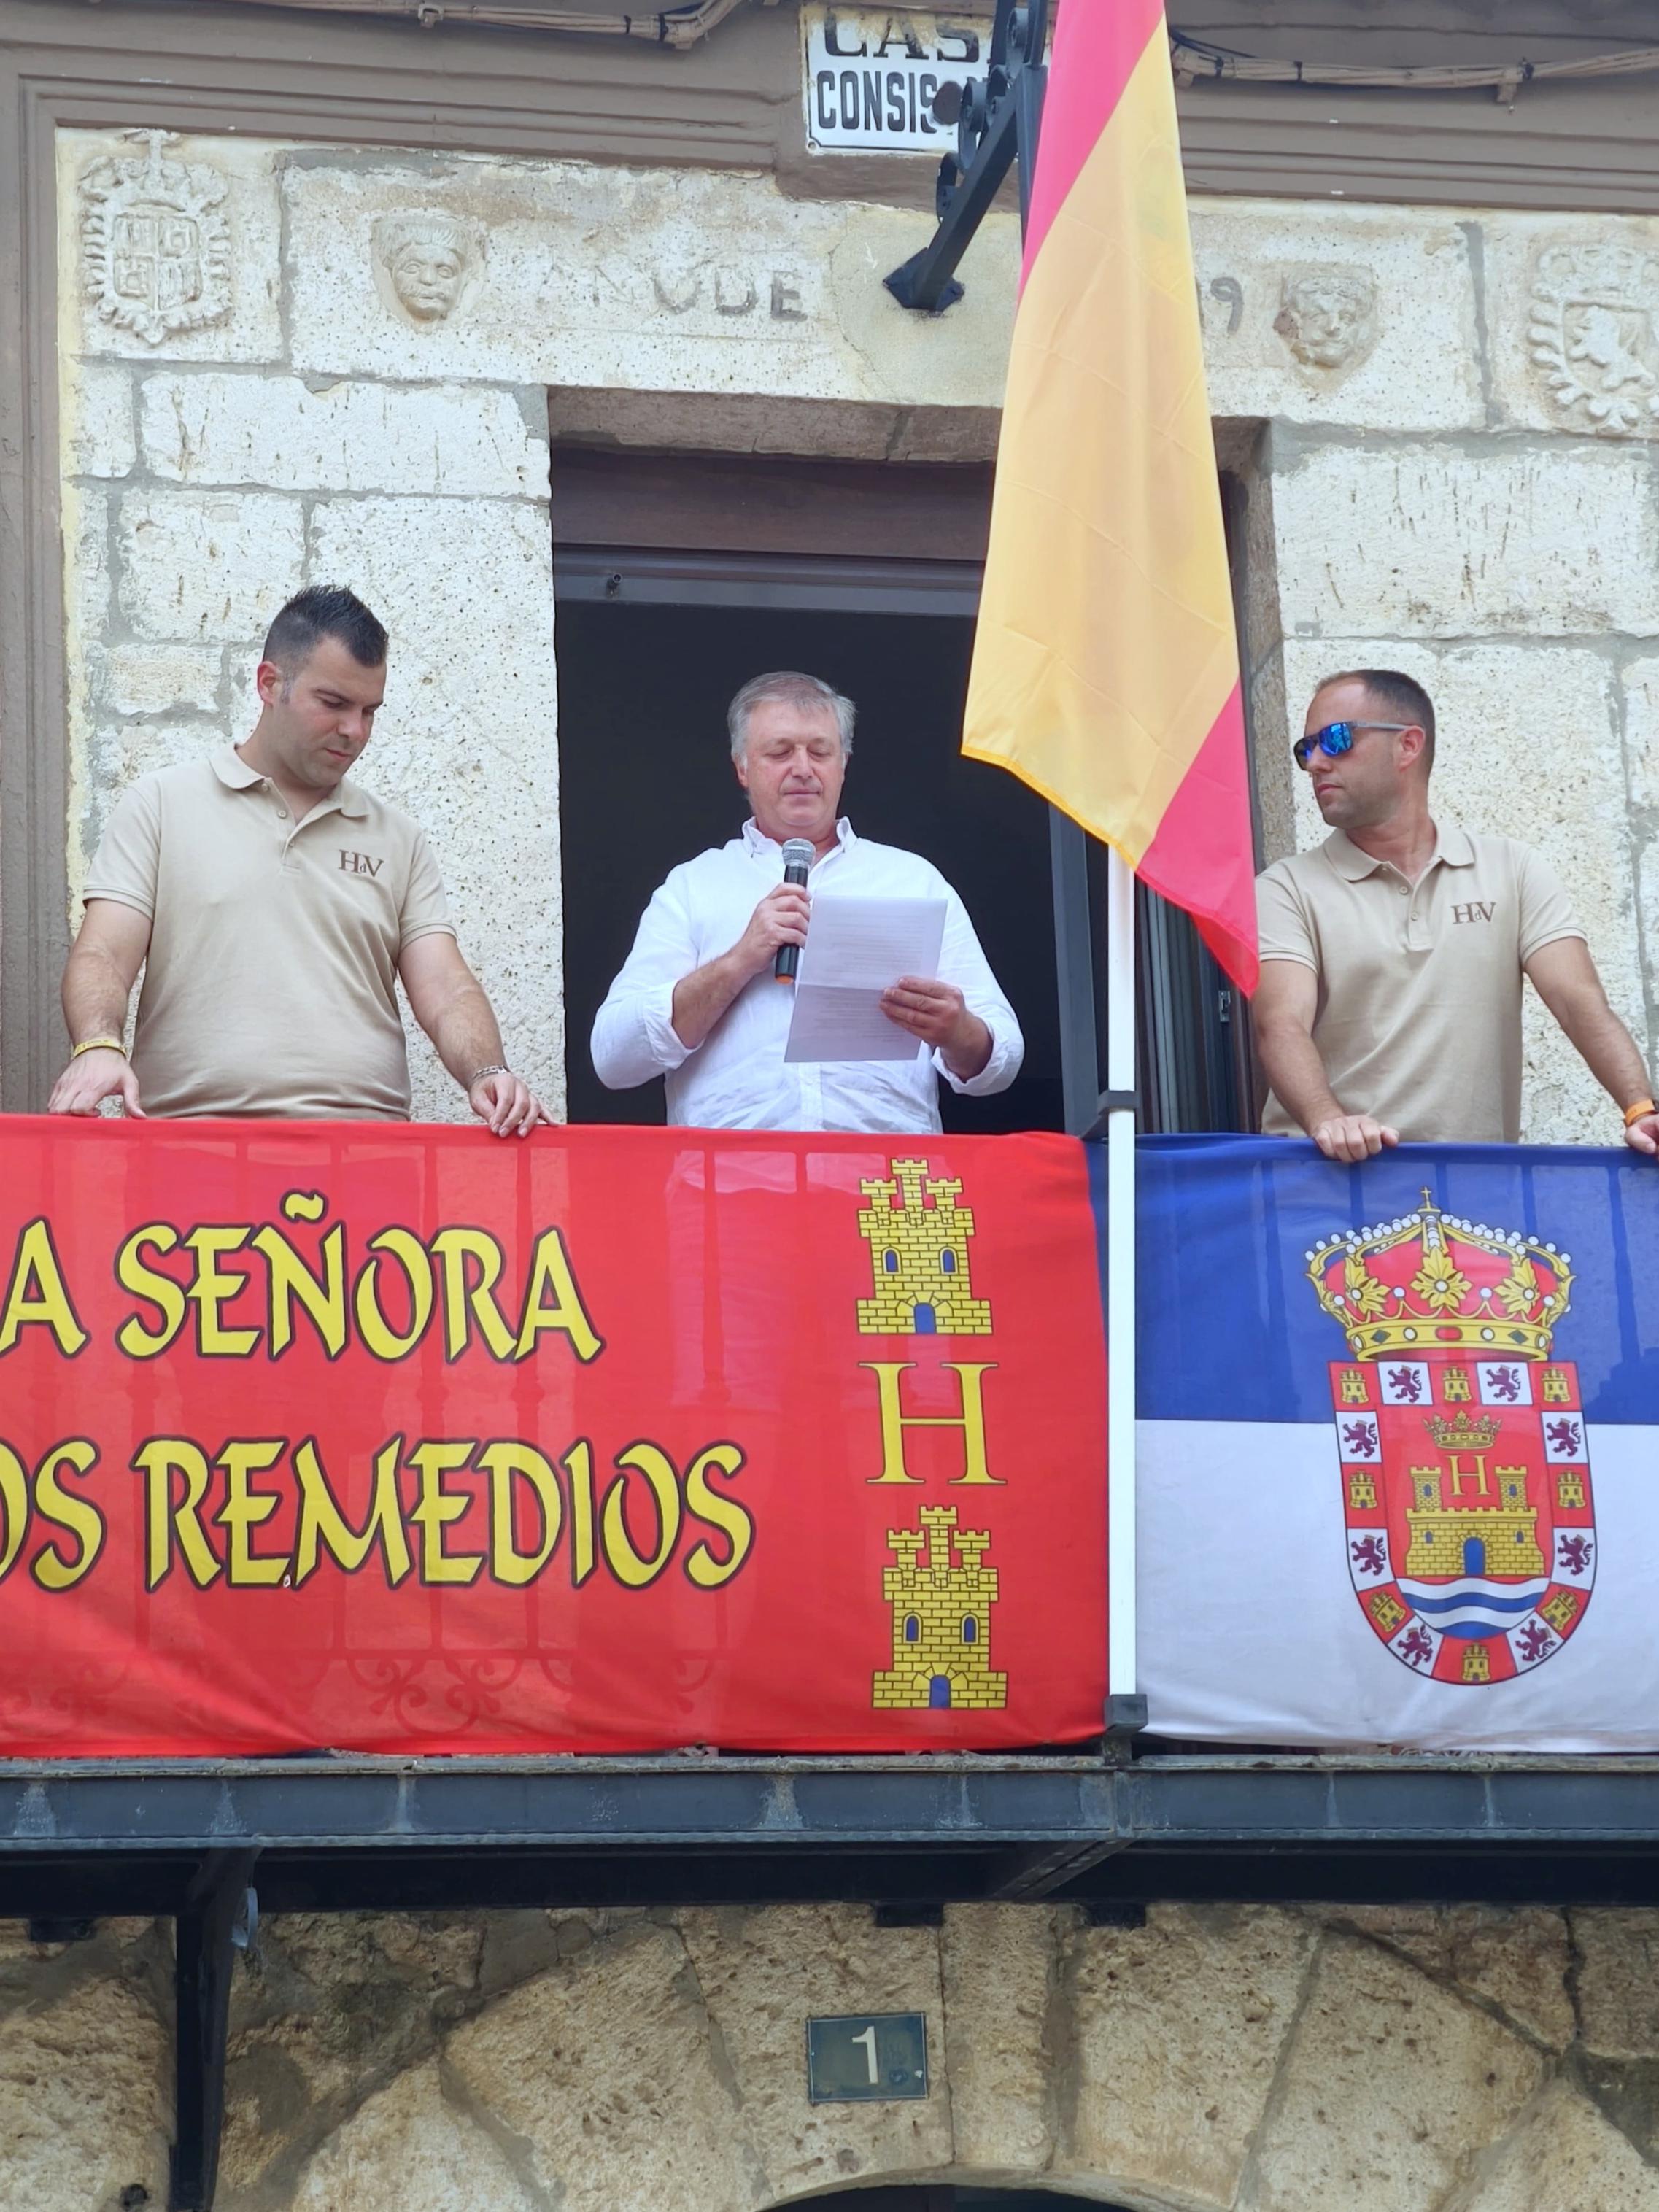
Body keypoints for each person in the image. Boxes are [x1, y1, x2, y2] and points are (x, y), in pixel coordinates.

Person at [47, 584, 544, 1134]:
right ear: (269, 684)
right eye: (333, 704)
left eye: (369, 711)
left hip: (368, 1154)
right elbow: (103, 956)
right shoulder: (161, 805)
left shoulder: (399, 839)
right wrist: (96, 1046)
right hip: (188, 1148)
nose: (354, 731)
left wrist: (487, 1072)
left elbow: (447, 988)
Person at [1253, 667, 1659, 1161]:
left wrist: (1640, 1110)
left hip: (1475, 1188)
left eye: (1335, 740)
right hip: (1330, 1184)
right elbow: (1280, 1024)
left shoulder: (1512, 868)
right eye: (1306, 748)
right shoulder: (1284, 889)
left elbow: (1578, 1002)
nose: (1315, 762)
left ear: (1407, 746)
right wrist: (1329, 1122)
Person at [591, 670, 1023, 1133]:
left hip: (882, 1183)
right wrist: (739, 960)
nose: (802, 768)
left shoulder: (913, 880)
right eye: (779, 753)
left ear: (843, 764)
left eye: (820, 752)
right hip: (732, 1187)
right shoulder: (693, 887)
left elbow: (1003, 1059)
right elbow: (614, 1059)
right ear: (742, 767)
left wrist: (957, 1031)